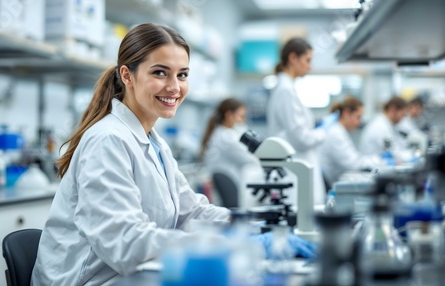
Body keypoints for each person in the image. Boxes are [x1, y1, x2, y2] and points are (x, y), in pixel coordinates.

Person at [31, 23, 314, 286]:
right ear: (127, 75)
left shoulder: (154, 142)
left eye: (182, 75)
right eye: (159, 72)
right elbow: (126, 242)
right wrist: (234, 244)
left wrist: (253, 227)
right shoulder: (108, 141)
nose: (174, 87)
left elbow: (192, 212)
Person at [266, 37, 335, 205]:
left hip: (298, 169)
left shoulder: (287, 88)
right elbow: (301, 138)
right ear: (292, 58)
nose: (309, 66)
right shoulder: (285, 90)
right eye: (307, 60)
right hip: (296, 171)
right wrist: (323, 131)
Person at [199, 98, 264, 209]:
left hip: (229, 183)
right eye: (241, 116)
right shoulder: (227, 137)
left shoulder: (221, 134)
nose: (243, 121)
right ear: (229, 115)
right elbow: (251, 158)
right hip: (229, 183)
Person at [319, 96, 383, 185]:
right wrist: (378, 161)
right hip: (335, 184)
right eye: (358, 117)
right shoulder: (336, 134)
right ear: (346, 113)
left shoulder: (340, 131)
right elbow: (353, 165)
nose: (359, 122)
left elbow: (354, 160)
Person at [359, 96, 409, 162]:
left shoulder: (387, 124)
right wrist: (409, 155)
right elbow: (392, 152)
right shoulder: (380, 127)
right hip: (372, 168)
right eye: (402, 114)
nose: (402, 118)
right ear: (392, 109)